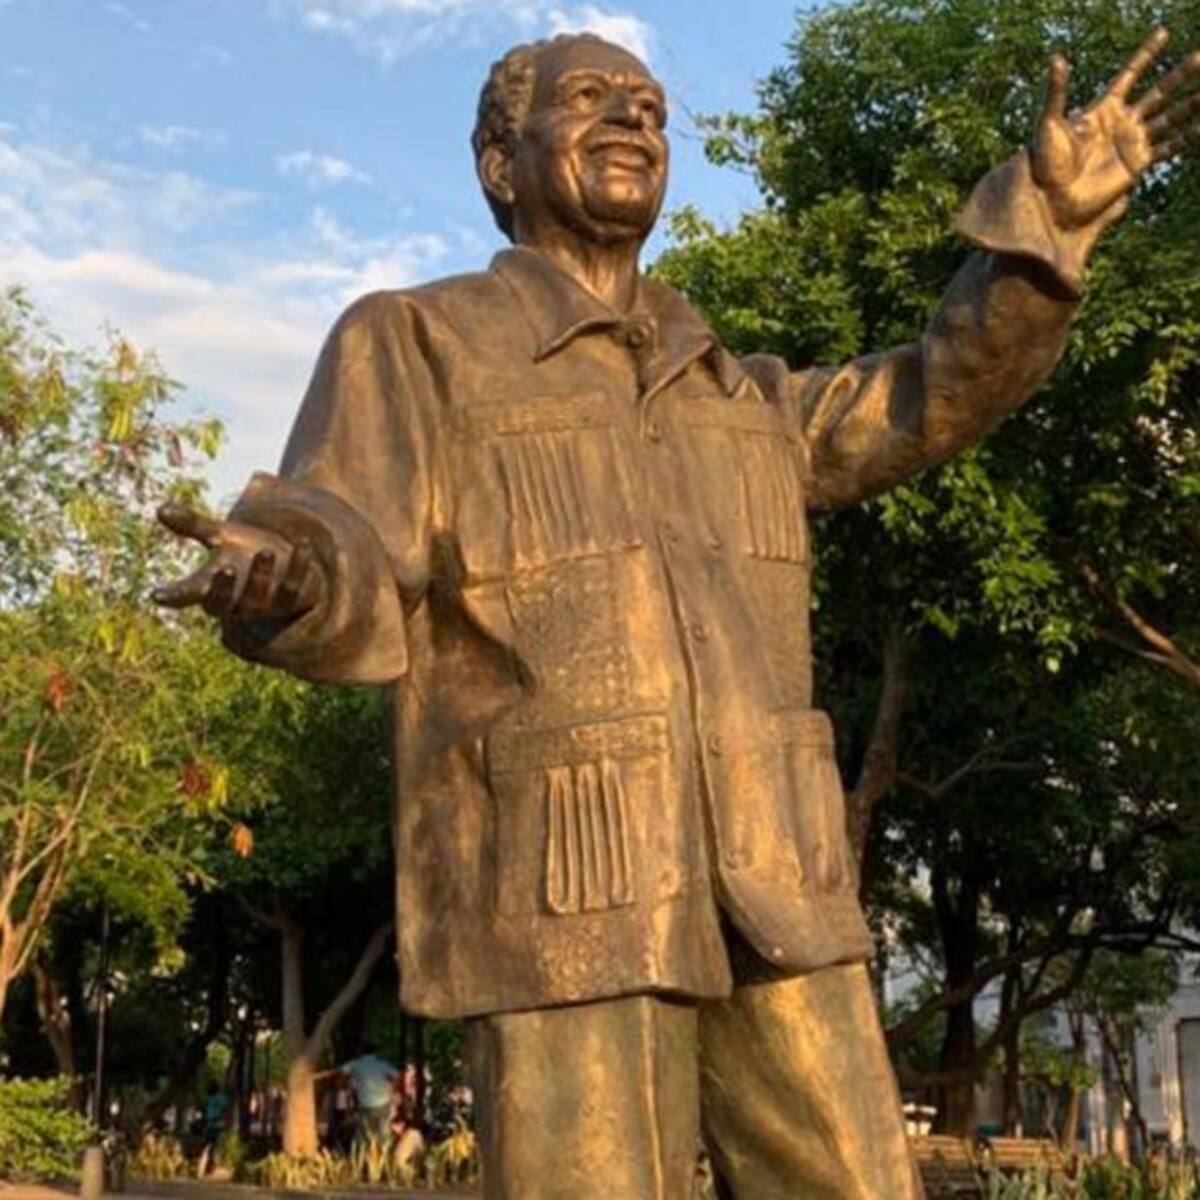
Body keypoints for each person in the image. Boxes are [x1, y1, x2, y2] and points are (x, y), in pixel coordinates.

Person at [154, 27, 1200, 1199]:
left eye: (650, 108)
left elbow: (921, 395)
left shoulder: (738, 390)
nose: (633, 122)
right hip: (563, 893)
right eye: (591, 101)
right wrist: (285, 573)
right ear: (501, 163)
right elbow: (338, 527)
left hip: (776, 884)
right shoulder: (417, 342)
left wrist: (1038, 239)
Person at [337, 1043, 398, 1143]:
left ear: (362, 1052)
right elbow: (396, 1076)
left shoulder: (357, 1064)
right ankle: (383, 1154)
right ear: (375, 1052)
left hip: (366, 1104)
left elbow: (342, 1071)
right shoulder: (382, 1064)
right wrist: (391, 1088)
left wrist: (345, 1084)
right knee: (382, 1133)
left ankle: (365, 1154)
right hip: (383, 1103)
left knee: (365, 1134)